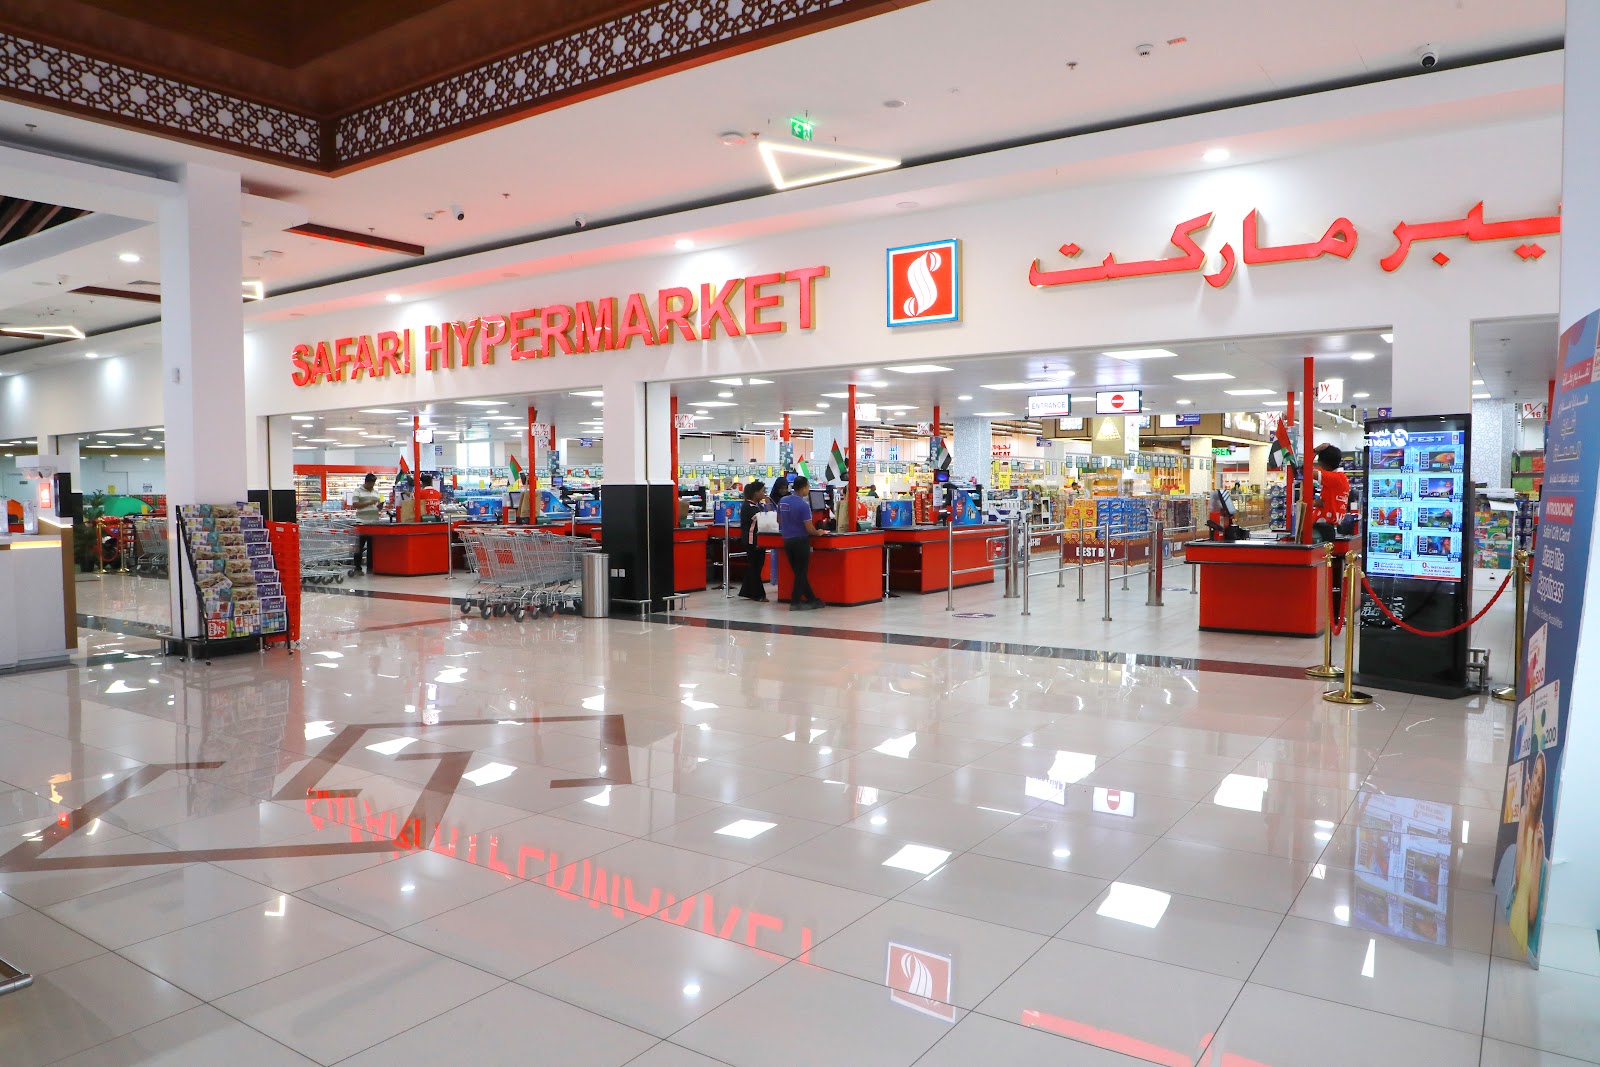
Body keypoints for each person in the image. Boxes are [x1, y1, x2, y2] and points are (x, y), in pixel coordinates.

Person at [777, 475, 826, 610]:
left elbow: (778, 520)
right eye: (808, 487)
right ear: (803, 488)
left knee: (798, 572)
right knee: (801, 572)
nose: (808, 489)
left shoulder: (783, 501)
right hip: (800, 541)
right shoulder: (803, 505)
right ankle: (795, 602)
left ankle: (812, 599)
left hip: (787, 540)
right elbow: (809, 528)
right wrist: (818, 532)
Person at [737, 480, 770, 602]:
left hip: (758, 540)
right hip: (752, 541)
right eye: (762, 491)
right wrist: (768, 506)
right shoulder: (748, 507)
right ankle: (758, 594)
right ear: (756, 493)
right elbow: (762, 518)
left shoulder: (757, 506)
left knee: (755, 566)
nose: (764, 493)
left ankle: (746, 591)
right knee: (755, 567)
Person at [1310, 443, 1350, 541]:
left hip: (1322, 530)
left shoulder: (1334, 478)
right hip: (1328, 528)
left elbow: (1304, 471)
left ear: (1325, 465)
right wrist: (1315, 503)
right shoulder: (1340, 478)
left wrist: (1314, 451)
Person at [350, 473, 384, 573]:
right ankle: (357, 567)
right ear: (366, 482)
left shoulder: (376, 492)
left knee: (371, 547)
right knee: (360, 546)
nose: (372, 485)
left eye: (373, 483)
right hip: (362, 522)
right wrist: (369, 503)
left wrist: (380, 506)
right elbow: (355, 505)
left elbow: (378, 508)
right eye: (370, 483)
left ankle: (370, 567)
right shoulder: (358, 491)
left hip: (374, 522)